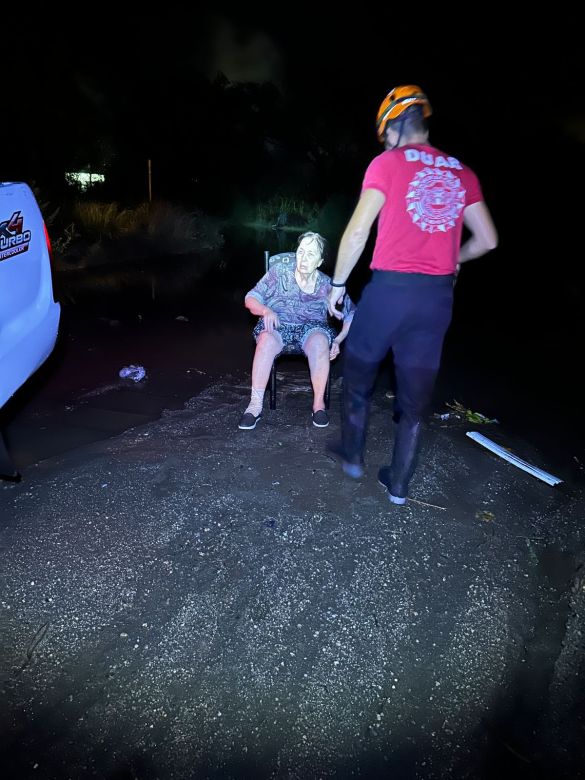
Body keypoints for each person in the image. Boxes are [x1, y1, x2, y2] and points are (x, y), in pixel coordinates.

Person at [327, 85, 498, 504]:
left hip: (389, 291)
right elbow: (488, 240)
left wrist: (336, 283)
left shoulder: (387, 163)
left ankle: (353, 455)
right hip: (436, 299)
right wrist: (454, 258)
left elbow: (357, 232)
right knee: (415, 399)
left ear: (392, 126)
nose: (384, 141)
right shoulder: (463, 172)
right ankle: (399, 484)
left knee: (359, 374)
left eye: (384, 133)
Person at [239, 231, 355, 430]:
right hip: (279, 323)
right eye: (301, 252)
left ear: (319, 262)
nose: (303, 258)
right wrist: (265, 310)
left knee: (320, 341)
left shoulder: (327, 285)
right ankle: (255, 406)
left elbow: (351, 314)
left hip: (312, 328)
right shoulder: (279, 272)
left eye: (311, 254)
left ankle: (318, 405)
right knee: (266, 339)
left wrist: (338, 340)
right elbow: (250, 298)